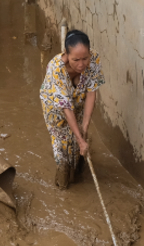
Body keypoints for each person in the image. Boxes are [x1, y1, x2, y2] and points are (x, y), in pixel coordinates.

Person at [40, 30, 105, 190]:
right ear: (66, 55)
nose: (81, 64)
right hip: (55, 104)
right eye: (76, 60)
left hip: (78, 99)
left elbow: (91, 91)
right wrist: (80, 138)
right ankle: (62, 178)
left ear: (90, 53)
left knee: (79, 138)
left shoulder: (94, 59)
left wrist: (85, 125)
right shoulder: (56, 69)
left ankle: (77, 168)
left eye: (85, 58)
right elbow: (66, 108)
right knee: (61, 138)